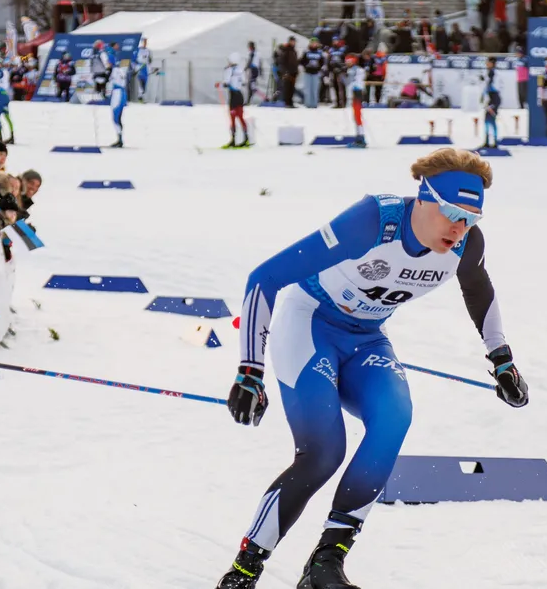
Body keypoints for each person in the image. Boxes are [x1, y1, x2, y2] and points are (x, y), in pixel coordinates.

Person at [215, 148, 526, 589]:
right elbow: (264, 279)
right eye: (453, 213)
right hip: (310, 324)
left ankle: (326, 562)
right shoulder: (371, 221)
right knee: (323, 453)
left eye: (472, 218)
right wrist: (249, 371)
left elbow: (479, 289)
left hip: (366, 339)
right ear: (424, 197)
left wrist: (503, 360)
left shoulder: (465, 243)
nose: (460, 228)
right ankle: (246, 569)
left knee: (393, 419)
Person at [222, 53, 250, 148]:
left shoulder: (229, 70)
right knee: (241, 117)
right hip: (239, 95)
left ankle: (233, 140)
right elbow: (244, 81)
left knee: (233, 117)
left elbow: (226, 82)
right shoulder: (240, 69)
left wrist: (221, 84)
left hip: (233, 97)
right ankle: (246, 138)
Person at [346, 54, 367, 148]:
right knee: (356, 116)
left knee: (357, 116)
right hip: (355, 93)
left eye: (349, 61)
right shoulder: (353, 70)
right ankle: (359, 136)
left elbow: (350, 82)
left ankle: (361, 138)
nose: (347, 63)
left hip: (357, 93)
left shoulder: (356, 70)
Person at [108, 57, 130, 148]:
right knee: (118, 117)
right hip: (121, 93)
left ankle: (120, 139)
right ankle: (120, 139)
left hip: (117, 93)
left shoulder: (114, 71)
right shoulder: (121, 70)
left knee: (116, 117)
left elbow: (110, 80)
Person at [0, 64, 16, 144]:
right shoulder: (5, 71)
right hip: (5, 95)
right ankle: (12, 136)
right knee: (6, 116)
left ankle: (0, 137)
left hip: (1, 96)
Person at [482, 57, 502, 149]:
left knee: (492, 120)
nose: (486, 63)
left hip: (494, 98)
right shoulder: (489, 72)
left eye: (488, 62)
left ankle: (494, 142)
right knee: (486, 119)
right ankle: (486, 141)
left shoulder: (494, 73)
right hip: (490, 98)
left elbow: (495, 87)